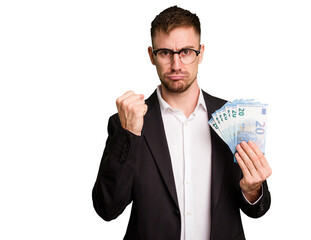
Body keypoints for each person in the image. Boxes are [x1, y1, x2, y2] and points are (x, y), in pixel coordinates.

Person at [92, 5, 272, 240]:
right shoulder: (126, 123)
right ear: (151, 55)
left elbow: (257, 207)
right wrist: (130, 134)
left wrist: (253, 190)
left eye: (186, 52)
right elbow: (107, 209)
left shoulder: (233, 117)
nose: (176, 65)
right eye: (165, 52)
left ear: (201, 52)